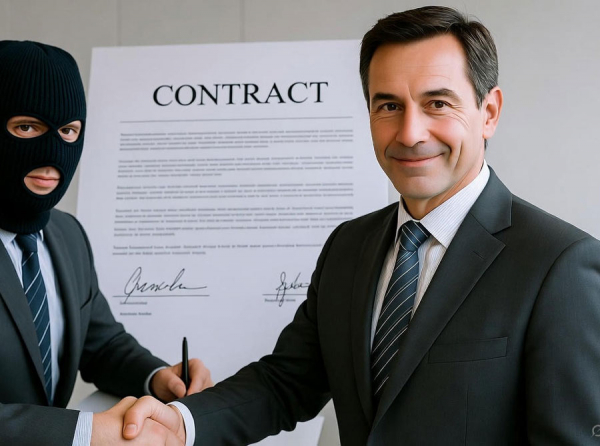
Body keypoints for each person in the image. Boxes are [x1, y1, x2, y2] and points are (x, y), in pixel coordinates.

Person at [123, 6, 600, 445]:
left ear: (489, 112)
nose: (410, 133)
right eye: (388, 105)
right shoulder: (348, 246)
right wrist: (180, 424)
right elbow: (287, 383)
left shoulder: (559, 265)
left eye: (437, 103)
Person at [0, 40, 213, 445]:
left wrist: (158, 377)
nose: (52, 153)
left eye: (68, 131)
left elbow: (101, 345)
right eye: (27, 127)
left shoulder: (67, 235)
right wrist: (86, 431)